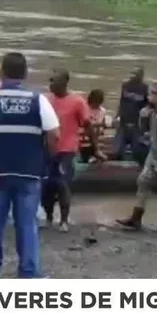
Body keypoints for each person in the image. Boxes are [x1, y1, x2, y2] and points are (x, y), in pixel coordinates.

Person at [0, 52, 60, 278]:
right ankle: (28, 273)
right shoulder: (38, 100)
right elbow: (54, 135)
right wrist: (46, 157)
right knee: (27, 225)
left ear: (2, 72)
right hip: (28, 172)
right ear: (25, 73)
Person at [116, 82, 157, 234]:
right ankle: (136, 218)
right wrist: (143, 119)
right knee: (143, 184)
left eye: (152, 94)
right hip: (154, 156)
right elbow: (147, 131)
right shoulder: (153, 112)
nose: (148, 97)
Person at [43, 69, 103, 232]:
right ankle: (48, 218)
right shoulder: (45, 100)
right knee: (46, 186)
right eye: (50, 80)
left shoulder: (77, 102)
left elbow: (88, 126)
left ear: (64, 83)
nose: (51, 84)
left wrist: (96, 149)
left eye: (54, 81)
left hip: (67, 150)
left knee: (62, 184)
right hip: (47, 149)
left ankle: (63, 221)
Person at [112, 67, 148, 160]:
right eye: (132, 74)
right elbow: (121, 102)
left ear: (141, 76)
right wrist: (116, 116)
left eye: (136, 74)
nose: (133, 76)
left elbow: (148, 107)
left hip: (137, 124)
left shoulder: (145, 88)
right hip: (123, 122)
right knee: (116, 152)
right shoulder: (125, 86)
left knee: (137, 153)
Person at [80, 89, 109, 163]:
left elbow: (103, 124)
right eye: (95, 102)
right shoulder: (84, 108)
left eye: (98, 102)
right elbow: (83, 122)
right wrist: (96, 124)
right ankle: (95, 152)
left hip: (97, 133)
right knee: (90, 129)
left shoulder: (102, 111)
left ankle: (95, 153)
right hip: (85, 131)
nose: (96, 104)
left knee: (96, 132)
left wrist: (102, 125)